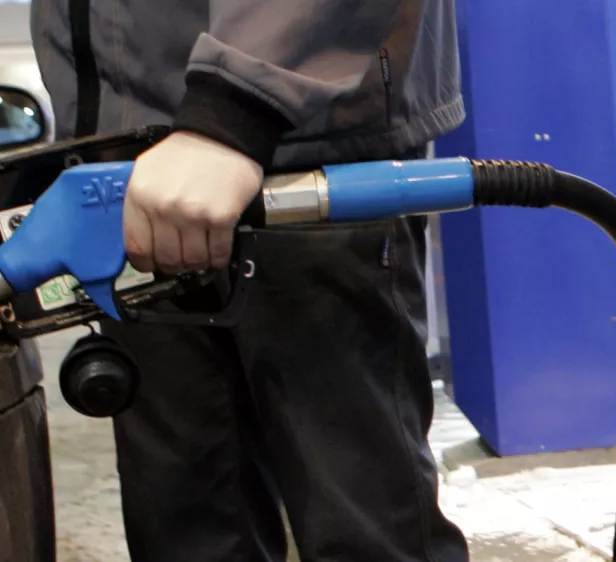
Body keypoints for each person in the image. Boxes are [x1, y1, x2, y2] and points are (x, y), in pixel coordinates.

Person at [29, 1, 470, 561]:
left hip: (292, 150)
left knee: (363, 525)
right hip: (132, 169)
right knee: (189, 524)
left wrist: (233, 115)